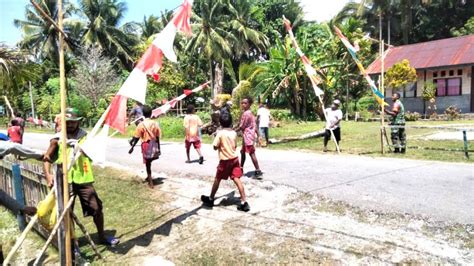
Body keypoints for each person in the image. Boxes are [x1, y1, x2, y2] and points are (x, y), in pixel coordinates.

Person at [43, 107, 119, 246]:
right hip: (65, 180)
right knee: (67, 212)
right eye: (68, 122)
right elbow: (47, 158)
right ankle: (72, 243)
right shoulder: (57, 138)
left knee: (96, 208)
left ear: (78, 122)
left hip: (84, 179)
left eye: (73, 121)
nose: (71, 124)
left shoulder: (86, 137)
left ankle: (101, 236)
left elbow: (94, 153)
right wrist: (48, 176)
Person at [201, 109, 250, 212]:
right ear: (231, 122)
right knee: (237, 179)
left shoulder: (220, 133)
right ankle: (244, 202)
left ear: (220, 123)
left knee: (217, 179)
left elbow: (215, 146)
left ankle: (210, 199)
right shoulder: (234, 133)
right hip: (235, 159)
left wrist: (218, 144)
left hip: (225, 160)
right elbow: (235, 145)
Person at [128, 105, 161, 188]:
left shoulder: (141, 124)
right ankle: (149, 177)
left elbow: (136, 137)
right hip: (153, 144)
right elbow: (157, 137)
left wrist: (132, 147)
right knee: (150, 161)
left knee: (147, 164)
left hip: (146, 145)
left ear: (143, 113)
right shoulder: (155, 123)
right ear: (151, 113)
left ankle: (150, 181)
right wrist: (159, 148)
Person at [238, 97, 262, 177]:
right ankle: (241, 168)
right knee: (243, 152)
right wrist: (258, 135)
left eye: (245, 103)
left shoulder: (246, 113)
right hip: (248, 136)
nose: (243, 105)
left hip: (247, 136)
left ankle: (258, 170)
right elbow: (255, 125)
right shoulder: (250, 113)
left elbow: (242, 126)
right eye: (242, 103)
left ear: (249, 104)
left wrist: (232, 130)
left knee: (251, 153)